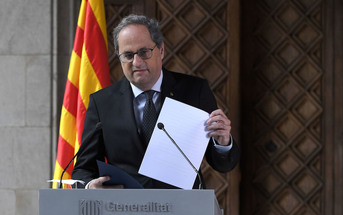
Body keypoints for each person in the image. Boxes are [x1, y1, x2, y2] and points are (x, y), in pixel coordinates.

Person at [71, 14, 240, 189]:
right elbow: (83, 168)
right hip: (126, 211)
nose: (136, 62)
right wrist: (90, 186)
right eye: (128, 55)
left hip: (183, 208)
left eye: (144, 52)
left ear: (161, 50)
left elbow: (223, 165)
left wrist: (223, 142)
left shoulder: (194, 91)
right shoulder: (102, 103)